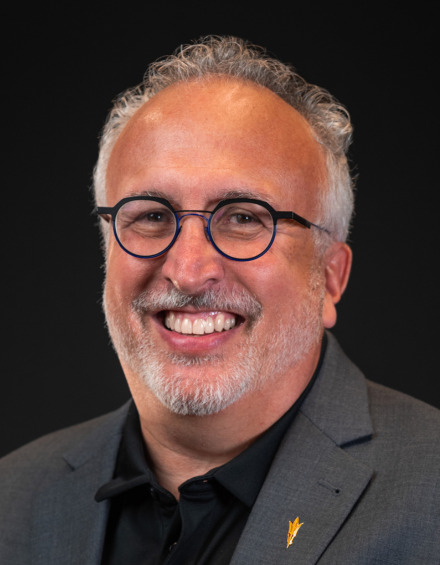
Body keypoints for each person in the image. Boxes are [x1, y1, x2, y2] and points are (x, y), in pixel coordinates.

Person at [1, 35, 439, 565]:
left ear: (329, 278)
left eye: (244, 218)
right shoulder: (12, 501)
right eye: (151, 215)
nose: (188, 272)